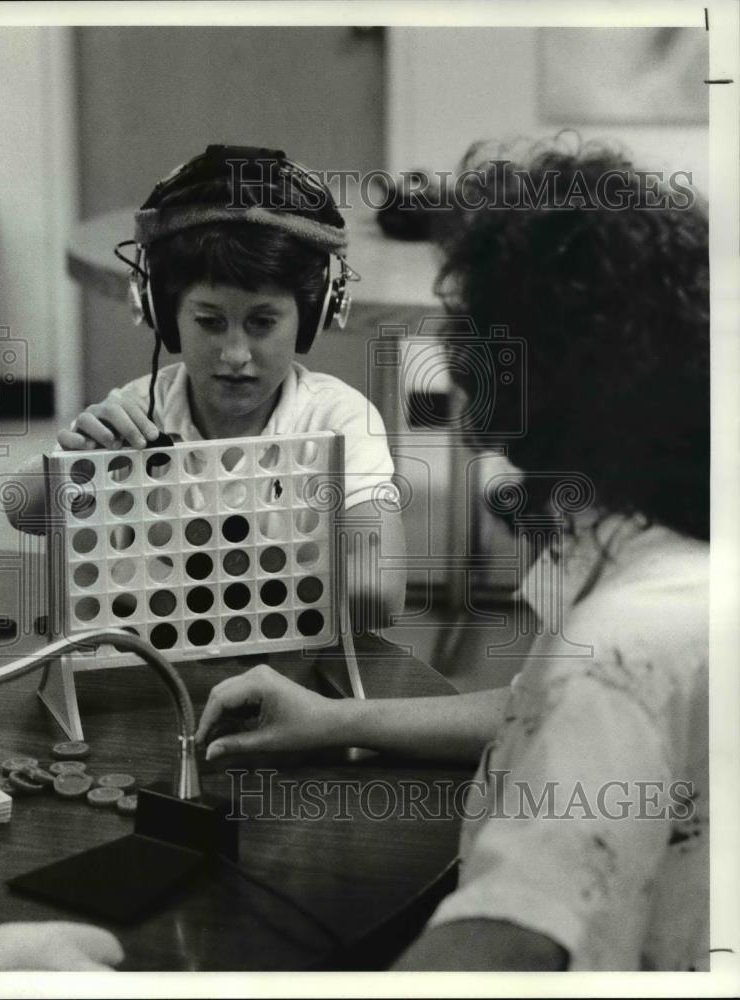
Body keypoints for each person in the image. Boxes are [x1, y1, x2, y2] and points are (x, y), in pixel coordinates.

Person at [194, 136, 710, 971]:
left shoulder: (617, 646)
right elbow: (532, 706)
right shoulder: (663, 552)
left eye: (465, 325)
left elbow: (500, 949)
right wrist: (341, 720)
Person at [6, 144, 405, 624]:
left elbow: (380, 592)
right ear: (162, 313)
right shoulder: (139, 412)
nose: (235, 355)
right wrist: (74, 467)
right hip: (163, 670)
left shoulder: (341, 420)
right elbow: (20, 509)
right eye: (210, 322)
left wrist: (205, 592)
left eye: (261, 323)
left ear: (313, 315)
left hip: (296, 674)